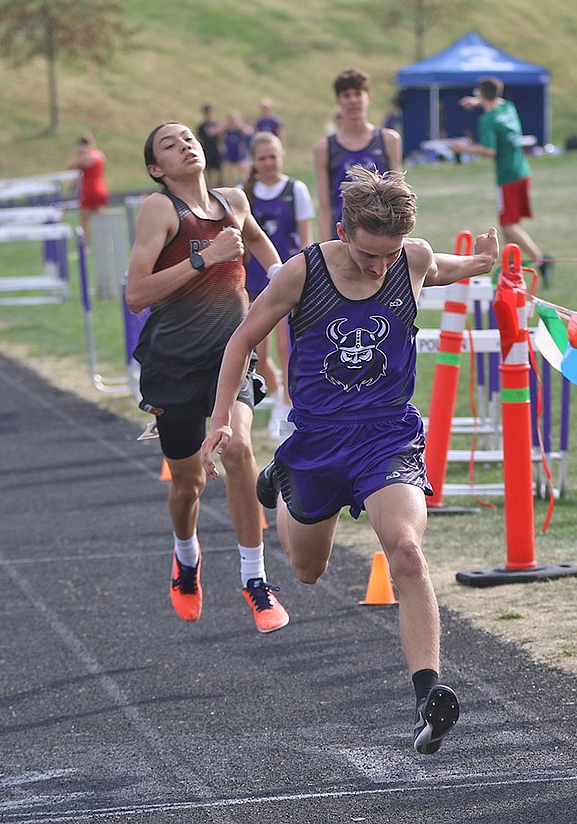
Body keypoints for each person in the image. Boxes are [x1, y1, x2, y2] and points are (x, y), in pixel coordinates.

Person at [199, 166, 499, 753]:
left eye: (388, 257)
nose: (377, 268)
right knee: (308, 571)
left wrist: (480, 264)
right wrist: (220, 423)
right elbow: (240, 340)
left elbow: (441, 270)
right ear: (343, 230)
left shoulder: (409, 259)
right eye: (366, 255)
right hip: (317, 442)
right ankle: (282, 478)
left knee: (407, 553)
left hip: (386, 435)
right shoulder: (301, 272)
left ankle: (427, 695)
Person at [124, 121, 289, 634]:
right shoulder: (159, 209)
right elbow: (136, 294)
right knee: (188, 485)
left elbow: (263, 246)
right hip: (174, 362)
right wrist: (205, 257)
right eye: (169, 145)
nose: (186, 144)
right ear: (157, 168)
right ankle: (187, 558)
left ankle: (254, 579)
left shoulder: (234, 199)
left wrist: (288, 287)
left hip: (230, 355)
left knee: (239, 449)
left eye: (188, 137)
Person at [243, 131, 315, 440]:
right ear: (254, 162)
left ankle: (287, 407)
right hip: (255, 280)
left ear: (281, 156)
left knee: (288, 347)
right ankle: (275, 396)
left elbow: (305, 239)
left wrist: (309, 277)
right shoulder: (243, 194)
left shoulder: (295, 189)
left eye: (273, 156)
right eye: (262, 158)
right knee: (258, 351)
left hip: (289, 280)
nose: (268, 163)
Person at [450, 77, 554, 285]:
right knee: (510, 222)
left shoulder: (487, 120)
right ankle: (509, 269)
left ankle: (541, 259)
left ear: (480, 93)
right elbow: (492, 101)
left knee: (507, 226)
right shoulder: (508, 107)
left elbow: (490, 151)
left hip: (507, 176)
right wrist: (478, 101)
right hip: (522, 170)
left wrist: (463, 148)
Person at [313, 67, 402, 239]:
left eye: (357, 94)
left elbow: (399, 197)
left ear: (368, 97)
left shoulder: (389, 140)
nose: (353, 100)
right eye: (346, 95)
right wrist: (326, 249)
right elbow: (324, 208)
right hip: (345, 237)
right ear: (338, 100)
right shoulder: (324, 148)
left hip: (383, 236)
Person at [65, 133, 110, 247]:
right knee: (100, 216)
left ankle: (85, 247)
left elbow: (69, 165)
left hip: (89, 189)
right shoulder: (99, 154)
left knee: (84, 220)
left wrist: (77, 153)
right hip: (101, 187)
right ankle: (107, 242)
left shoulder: (85, 156)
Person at [221, 110, 254, 186]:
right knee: (229, 173)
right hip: (229, 153)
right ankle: (231, 187)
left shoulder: (240, 129)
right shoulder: (226, 130)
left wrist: (241, 124)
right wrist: (225, 125)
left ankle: (246, 186)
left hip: (239, 153)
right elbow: (215, 132)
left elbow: (250, 132)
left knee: (243, 172)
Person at [196, 104, 223, 188]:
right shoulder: (202, 126)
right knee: (209, 170)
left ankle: (220, 184)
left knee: (219, 169)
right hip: (207, 149)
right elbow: (200, 138)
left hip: (215, 149)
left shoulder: (216, 124)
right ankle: (211, 185)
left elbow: (220, 137)